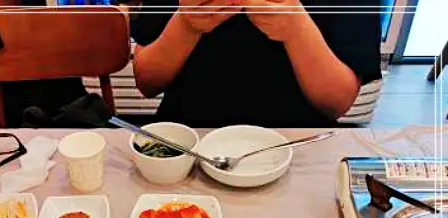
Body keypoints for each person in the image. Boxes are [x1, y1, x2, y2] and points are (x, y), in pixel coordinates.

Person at [131, 0, 382, 128]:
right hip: (187, 140)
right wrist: (185, 25)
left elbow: (337, 103)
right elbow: (147, 81)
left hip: (300, 145)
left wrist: (296, 29)